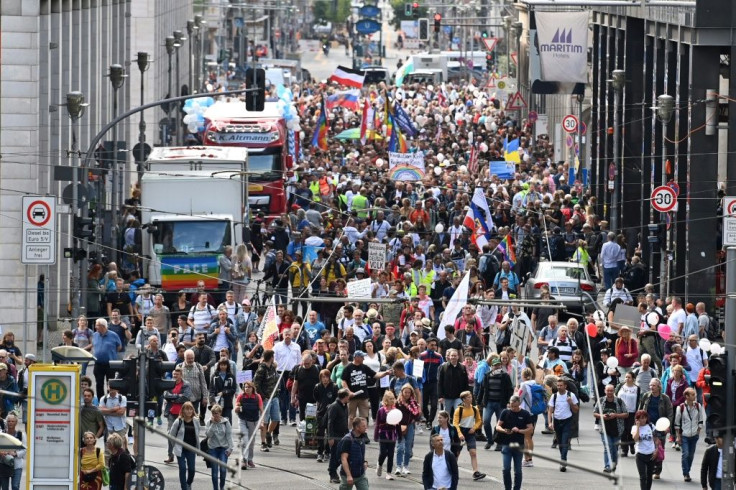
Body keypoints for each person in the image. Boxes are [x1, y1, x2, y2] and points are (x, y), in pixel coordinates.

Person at [495, 395, 534, 490]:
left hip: (519, 445)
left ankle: (517, 488)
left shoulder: (525, 414)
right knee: (506, 469)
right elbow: (498, 426)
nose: (512, 408)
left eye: (515, 406)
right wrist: (504, 430)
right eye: (511, 406)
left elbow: (530, 429)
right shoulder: (505, 412)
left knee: (518, 470)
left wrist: (519, 430)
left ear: (519, 404)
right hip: (506, 444)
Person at [479, 356, 514, 451]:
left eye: (498, 365)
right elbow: (482, 389)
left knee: (500, 423)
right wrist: (479, 402)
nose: (497, 367)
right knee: (486, 421)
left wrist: (509, 401)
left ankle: (499, 442)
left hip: (500, 403)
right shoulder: (487, 375)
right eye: (495, 365)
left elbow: (510, 390)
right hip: (489, 402)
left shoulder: (505, 376)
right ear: (492, 366)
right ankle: (490, 440)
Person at [451, 391, 486, 481]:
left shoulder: (475, 409)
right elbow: (455, 423)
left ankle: (475, 472)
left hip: (470, 432)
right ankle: (453, 471)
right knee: (457, 453)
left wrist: (474, 428)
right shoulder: (459, 409)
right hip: (460, 431)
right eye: (468, 397)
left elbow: (479, 420)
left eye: (471, 397)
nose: (471, 399)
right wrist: (459, 433)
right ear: (464, 399)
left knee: (473, 452)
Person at [593, 384, 628, 473]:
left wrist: (616, 415)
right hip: (604, 429)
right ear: (605, 391)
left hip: (617, 429)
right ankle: (607, 466)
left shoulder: (619, 401)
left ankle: (613, 463)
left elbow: (626, 414)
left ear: (614, 391)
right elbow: (595, 413)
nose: (609, 392)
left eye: (611, 391)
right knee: (607, 447)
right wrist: (602, 416)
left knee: (614, 448)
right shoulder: (601, 401)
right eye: (608, 390)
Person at [547, 377, 579, 472]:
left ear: (565, 386)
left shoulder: (571, 395)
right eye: (558, 385)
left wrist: (571, 403)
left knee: (565, 441)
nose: (559, 387)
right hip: (557, 421)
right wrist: (549, 422)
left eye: (561, 385)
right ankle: (563, 457)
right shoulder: (554, 396)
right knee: (560, 442)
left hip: (567, 421)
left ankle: (563, 461)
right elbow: (550, 410)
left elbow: (576, 409)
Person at [162, 367, 193, 464]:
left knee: (182, 435)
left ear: (181, 375)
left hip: (182, 414)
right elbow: (165, 395)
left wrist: (173, 398)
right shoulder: (169, 383)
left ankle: (182, 454)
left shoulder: (186, 384)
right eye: (174, 374)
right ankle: (170, 455)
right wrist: (176, 397)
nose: (175, 376)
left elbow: (185, 397)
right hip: (171, 412)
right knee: (170, 434)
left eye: (177, 374)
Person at [674, 387, 704, 482]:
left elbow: (701, 420)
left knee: (691, 455)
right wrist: (678, 436)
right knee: (685, 454)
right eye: (692, 394)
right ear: (686, 396)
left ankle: (688, 471)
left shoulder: (698, 406)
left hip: (694, 435)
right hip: (685, 435)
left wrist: (698, 431)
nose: (695, 396)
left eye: (694, 394)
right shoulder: (681, 407)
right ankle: (686, 473)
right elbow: (677, 423)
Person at [169, 401, 200, 490]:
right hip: (180, 449)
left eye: (190, 409)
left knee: (192, 470)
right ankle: (184, 488)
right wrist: (175, 446)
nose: (189, 411)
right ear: (183, 411)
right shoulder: (178, 421)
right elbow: (171, 435)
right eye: (187, 409)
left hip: (191, 449)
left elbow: (197, 434)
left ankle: (188, 483)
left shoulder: (196, 421)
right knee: (182, 468)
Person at [253, 349, 280, 451]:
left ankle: (268, 433)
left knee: (276, 419)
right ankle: (263, 442)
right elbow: (256, 384)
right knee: (264, 421)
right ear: (271, 357)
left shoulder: (272, 368)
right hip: (265, 398)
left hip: (274, 397)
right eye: (273, 357)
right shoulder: (261, 369)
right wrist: (263, 396)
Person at [92, 318, 123, 400]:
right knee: (99, 384)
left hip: (110, 364)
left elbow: (119, 347)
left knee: (110, 384)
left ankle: (110, 399)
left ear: (103, 326)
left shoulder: (113, 335)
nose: (95, 327)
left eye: (97, 325)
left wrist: (110, 353)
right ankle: (100, 400)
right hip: (98, 364)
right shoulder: (95, 335)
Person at [395, 383, 422, 476]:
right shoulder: (397, 403)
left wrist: (418, 411)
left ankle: (405, 466)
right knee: (400, 447)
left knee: (408, 447)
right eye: (405, 392)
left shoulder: (413, 403)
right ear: (402, 392)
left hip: (410, 425)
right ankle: (398, 466)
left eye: (409, 392)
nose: (407, 394)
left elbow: (417, 416)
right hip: (399, 425)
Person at [234, 381, 262, 470]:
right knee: (244, 440)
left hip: (253, 421)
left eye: (249, 387)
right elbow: (236, 409)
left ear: (252, 388)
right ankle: (244, 460)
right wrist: (237, 408)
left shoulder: (257, 397)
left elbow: (262, 410)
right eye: (245, 387)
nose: (247, 389)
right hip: (242, 420)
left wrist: (262, 422)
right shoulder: (241, 396)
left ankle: (250, 459)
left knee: (251, 441)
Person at [206, 404, 233, 490]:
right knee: (214, 471)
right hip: (213, 448)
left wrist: (230, 448)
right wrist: (213, 424)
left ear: (220, 413)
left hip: (223, 448)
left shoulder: (226, 422)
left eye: (217, 413)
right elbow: (208, 435)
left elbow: (229, 436)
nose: (215, 415)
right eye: (213, 413)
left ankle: (222, 487)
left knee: (223, 470)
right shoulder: (209, 422)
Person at [314, 369, 338, 463]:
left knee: (329, 433)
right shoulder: (317, 387)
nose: (325, 379)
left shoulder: (334, 386)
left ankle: (327, 452)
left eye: (326, 377)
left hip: (331, 413)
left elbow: (337, 399)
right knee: (320, 432)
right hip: (321, 412)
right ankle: (319, 452)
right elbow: (316, 398)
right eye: (323, 377)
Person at [337, 417, 369, 490]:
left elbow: (359, 453)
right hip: (348, 475)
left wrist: (364, 462)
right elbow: (343, 459)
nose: (366, 427)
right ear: (357, 427)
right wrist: (348, 475)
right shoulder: (347, 440)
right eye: (363, 426)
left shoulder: (362, 438)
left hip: (360, 475)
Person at [374, 391, 399, 480]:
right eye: (390, 399)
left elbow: (398, 424)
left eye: (393, 398)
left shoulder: (395, 410)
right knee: (383, 452)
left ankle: (388, 473)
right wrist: (376, 435)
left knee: (391, 454)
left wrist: (399, 434)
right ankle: (379, 464)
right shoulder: (381, 410)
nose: (392, 400)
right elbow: (377, 424)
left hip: (392, 434)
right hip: (383, 434)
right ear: (386, 400)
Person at [327, 389, 351, 484]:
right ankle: (332, 473)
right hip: (335, 435)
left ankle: (337, 472)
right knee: (335, 455)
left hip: (343, 435)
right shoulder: (334, 406)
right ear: (345, 397)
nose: (349, 398)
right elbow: (330, 422)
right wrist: (330, 437)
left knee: (342, 455)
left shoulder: (345, 406)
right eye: (348, 396)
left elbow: (345, 421)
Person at [438, 349, 468, 419]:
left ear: (458, 357)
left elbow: (465, 382)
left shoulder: (462, 368)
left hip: (458, 396)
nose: (453, 357)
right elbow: (440, 383)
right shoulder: (443, 367)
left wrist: (465, 395)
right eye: (452, 356)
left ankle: (456, 428)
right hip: (447, 397)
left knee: (458, 414)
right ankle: (447, 428)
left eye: (455, 356)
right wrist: (440, 396)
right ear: (449, 357)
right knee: (446, 415)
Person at [632, 410, 658, 490]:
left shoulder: (651, 426)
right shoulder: (634, 428)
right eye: (640, 418)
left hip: (651, 455)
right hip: (640, 454)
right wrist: (638, 427)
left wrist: (656, 450)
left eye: (644, 418)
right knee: (643, 477)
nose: (643, 420)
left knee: (649, 476)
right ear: (637, 419)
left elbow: (656, 440)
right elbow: (635, 439)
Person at [5, 414, 24, 490]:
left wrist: (16, 454)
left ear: (16, 422)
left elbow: (25, 449)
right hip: (4, 465)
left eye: (12, 421)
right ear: (6, 422)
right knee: (4, 488)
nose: (10, 423)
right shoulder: (3, 434)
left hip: (17, 465)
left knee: (15, 486)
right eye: (9, 421)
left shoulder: (21, 434)